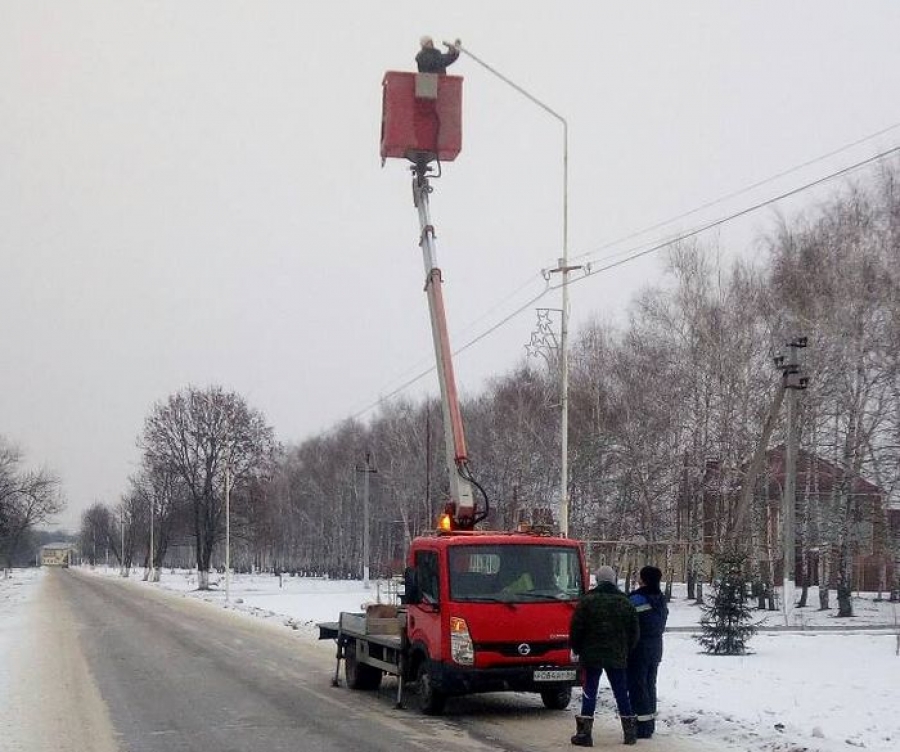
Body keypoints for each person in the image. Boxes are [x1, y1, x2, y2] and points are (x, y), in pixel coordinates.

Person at [569, 565, 640, 746]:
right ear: (614, 580)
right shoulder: (625, 602)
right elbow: (634, 631)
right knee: (621, 692)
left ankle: (585, 734)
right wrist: (627, 650)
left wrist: (577, 648)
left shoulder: (587, 601)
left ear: (598, 580)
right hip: (617, 655)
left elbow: (576, 628)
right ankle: (630, 733)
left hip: (591, 655)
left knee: (589, 691)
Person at [627, 566, 668, 739]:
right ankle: (649, 723)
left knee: (638, 686)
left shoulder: (636, 599)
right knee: (650, 685)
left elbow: (628, 623)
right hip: (656, 647)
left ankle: (641, 725)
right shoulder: (660, 598)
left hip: (638, 648)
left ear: (643, 579)